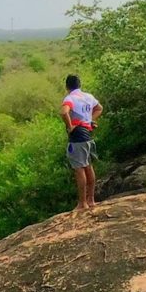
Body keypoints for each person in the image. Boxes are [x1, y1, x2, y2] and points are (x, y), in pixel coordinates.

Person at [60, 74, 102, 212]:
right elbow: (99, 108)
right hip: (88, 135)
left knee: (79, 169)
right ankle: (91, 200)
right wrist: (90, 121)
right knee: (88, 166)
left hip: (77, 137)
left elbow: (64, 112)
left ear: (67, 86)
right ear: (79, 84)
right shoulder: (88, 96)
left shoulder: (69, 98)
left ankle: (82, 203)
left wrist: (70, 125)